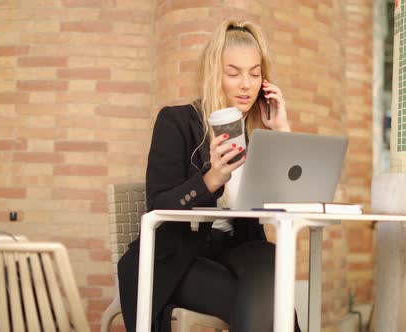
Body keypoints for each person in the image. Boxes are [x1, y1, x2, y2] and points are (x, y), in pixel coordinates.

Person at [117, 19, 301, 332]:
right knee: (269, 307)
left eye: (255, 74)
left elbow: (290, 202)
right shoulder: (177, 122)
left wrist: (281, 132)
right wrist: (211, 179)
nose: (246, 84)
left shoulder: (259, 133)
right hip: (178, 256)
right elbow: (158, 204)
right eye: (234, 73)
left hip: (238, 248)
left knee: (272, 269)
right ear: (215, 73)